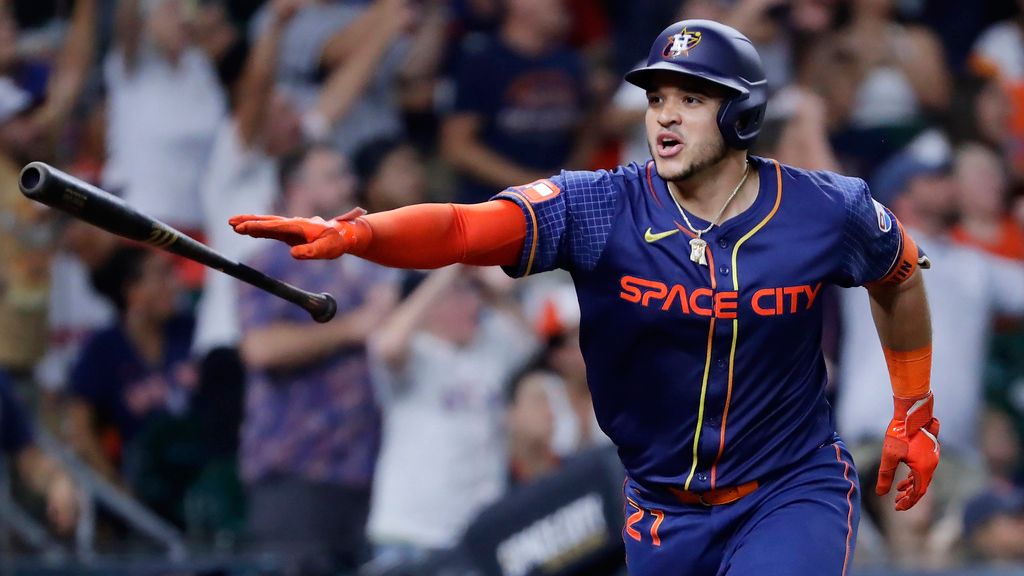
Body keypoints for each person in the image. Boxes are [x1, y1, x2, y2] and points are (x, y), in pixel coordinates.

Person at [230, 20, 939, 575]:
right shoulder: (599, 207)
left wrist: (914, 408)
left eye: (691, 99)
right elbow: (464, 226)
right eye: (656, 97)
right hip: (661, 506)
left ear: (743, 115)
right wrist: (359, 236)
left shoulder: (824, 209)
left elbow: (899, 273)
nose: (663, 116)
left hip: (791, 489)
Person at [236, 144, 397, 575]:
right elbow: (261, 348)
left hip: (366, 472)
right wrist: (351, 327)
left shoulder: (366, 257)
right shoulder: (271, 260)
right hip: (297, 469)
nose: (350, 185)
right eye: (334, 176)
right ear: (297, 190)